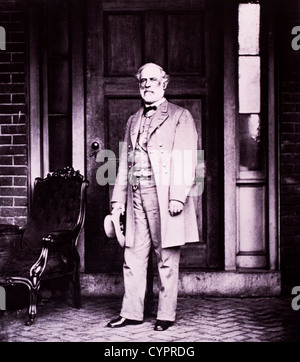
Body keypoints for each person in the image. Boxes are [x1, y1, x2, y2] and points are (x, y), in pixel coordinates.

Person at [107, 62, 199, 331]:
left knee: (167, 256)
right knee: (132, 255)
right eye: (142, 81)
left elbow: (187, 158)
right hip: (136, 196)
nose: (147, 85)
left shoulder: (181, 116)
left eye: (152, 80)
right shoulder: (133, 120)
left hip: (165, 196)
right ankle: (132, 312)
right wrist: (117, 203)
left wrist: (178, 197)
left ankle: (165, 315)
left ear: (164, 83)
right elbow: (125, 163)